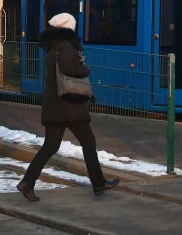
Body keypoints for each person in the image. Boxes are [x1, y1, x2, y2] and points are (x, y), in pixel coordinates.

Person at [16, 13, 119, 201]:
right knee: (88, 142)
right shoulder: (65, 46)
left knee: (50, 146)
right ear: (68, 27)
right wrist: (84, 69)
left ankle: (27, 182)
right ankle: (98, 183)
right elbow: (68, 69)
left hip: (55, 105)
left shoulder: (53, 46)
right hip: (69, 105)